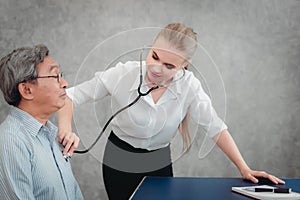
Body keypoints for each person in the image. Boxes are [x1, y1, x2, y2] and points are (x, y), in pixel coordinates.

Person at [58, 23, 284, 200]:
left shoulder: (189, 86)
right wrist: (66, 129)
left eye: (169, 66)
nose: (157, 69)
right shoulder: (123, 74)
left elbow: (214, 127)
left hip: (158, 160)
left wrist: (244, 168)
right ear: (150, 47)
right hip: (119, 157)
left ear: (184, 65)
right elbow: (69, 96)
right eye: (155, 56)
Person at [0, 44, 84, 200]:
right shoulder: (11, 142)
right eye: (55, 76)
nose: (64, 83)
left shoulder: (51, 134)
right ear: (27, 90)